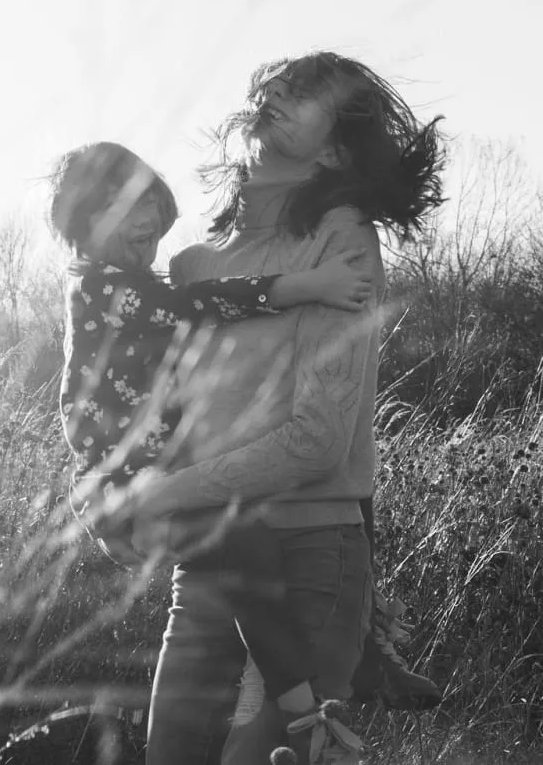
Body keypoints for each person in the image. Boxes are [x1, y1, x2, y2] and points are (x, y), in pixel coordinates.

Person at [124, 52, 444, 765]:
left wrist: (166, 493)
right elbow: (170, 414)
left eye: (304, 95)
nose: (276, 95)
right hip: (210, 557)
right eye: (280, 85)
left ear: (334, 150)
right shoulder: (194, 266)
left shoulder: (341, 241)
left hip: (310, 555)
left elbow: (318, 440)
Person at [47, 140, 373, 754]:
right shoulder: (101, 288)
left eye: (149, 203)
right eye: (121, 210)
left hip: (149, 483)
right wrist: (309, 285)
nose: (144, 221)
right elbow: (199, 303)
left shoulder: (133, 281)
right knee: (245, 547)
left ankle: (302, 701)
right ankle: (302, 711)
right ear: (84, 228)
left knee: (243, 555)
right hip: (125, 486)